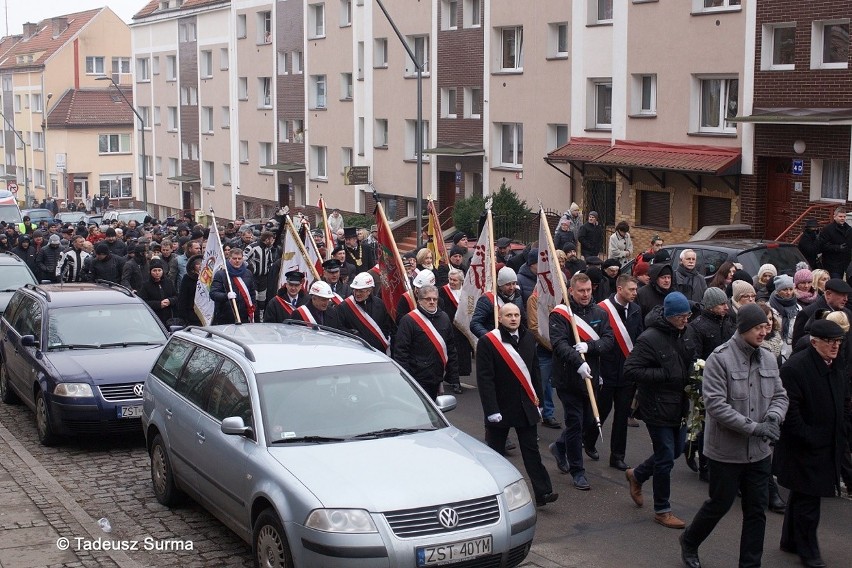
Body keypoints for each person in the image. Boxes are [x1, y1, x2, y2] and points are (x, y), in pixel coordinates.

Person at [678, 303, 788, 568]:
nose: (764, 332)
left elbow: (780, 395)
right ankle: (690, 541)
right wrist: (755, 427)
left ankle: (750, 564)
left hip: (759, 453)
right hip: (726, 452)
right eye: (758, 328)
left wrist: (774, 416)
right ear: (744, 329)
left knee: (756, 511)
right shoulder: (720, 358)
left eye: (766, 327)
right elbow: (716, 406)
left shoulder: (769, 358)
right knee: (720, 503)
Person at [775, 319, 849, 568]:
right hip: (804, 446)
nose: (835, 346)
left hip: (828, 441)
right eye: (830, 341)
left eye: (838, 341)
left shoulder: (835, 363)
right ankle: (809, 552)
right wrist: (811, 437)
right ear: (814, 341)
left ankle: (790, 540)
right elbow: (790, 412)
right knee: (809, 499)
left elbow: (843, 397)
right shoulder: (796, 368)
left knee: (802, 493)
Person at [623, 292, 695, 529]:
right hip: (656, 406)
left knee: (676, 450)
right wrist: (663, 375)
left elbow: (690, 360)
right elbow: (631, 370)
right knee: (665, 457)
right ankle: (662, 509)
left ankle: (638, 474)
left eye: (688, 315)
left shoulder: (686, 333)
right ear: (669, 316)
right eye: (681, 317)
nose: (685, 320)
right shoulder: (649, 338)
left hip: (680, 404)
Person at [476, 303, 558, 508]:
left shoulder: (528, 337)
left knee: (532, 452)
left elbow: (535, 371)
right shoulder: (489, 342)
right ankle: (490, 495)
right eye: (508, 315)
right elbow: (485, 380)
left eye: (516, 315)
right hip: (501, 408)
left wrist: (538, 400)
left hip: (526, 406)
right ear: (500, 318)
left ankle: (543, 492)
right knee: (495, 455)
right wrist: (491, 410)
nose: (513, 318)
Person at [549, 272, 614, 490]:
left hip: (592, 377)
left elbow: (608, 340)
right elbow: (559, 344)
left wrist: (590, 347)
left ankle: (559, 446)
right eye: (581, 291)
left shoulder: (600, 313)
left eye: (588, 290)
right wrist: (577, 361)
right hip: (568, 378)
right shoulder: (559, 315)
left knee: (588, 422)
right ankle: (578, 471)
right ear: (571, 291)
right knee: (575, 422)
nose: (586, 295)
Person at [596, 274, 644, 471]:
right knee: (600, 412)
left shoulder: (636, 310)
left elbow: (639, 337)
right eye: (631, 289)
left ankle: (617, 456)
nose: (635, 293)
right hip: (606, 371)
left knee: (622, 416)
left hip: (626, 373)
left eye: (636, 289)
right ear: (620, 289)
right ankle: (588, 440)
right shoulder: (602, 310)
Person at [395, 284, 459, 399]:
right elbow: (401, 351)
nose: (432, 302)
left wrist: (453, 376)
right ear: (419, 301)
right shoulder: (409, 320)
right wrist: (405, 377)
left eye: (435, 299)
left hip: (437, 375)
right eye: (428, 299)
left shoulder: (444, 318)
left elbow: (451, 347)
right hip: (417, 376)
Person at [337, 272, 394, 353]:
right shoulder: (344, 307)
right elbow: (339, 329)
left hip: (378, 351)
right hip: (356, 351)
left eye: (361, 291)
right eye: (355, 290)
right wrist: (353, 334)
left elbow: (386, 326)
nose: (357, 294)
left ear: (369, 290)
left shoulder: (380, 304)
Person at [791, 277, 852, 347]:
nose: (846, 299)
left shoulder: (848, 313)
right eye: (842, 295)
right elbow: (798, 345)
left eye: (847, 295)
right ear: (829, 294)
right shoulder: (807, 313)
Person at [210, 247, 257, 324]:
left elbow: (252, 293)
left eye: (239, 258)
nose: (237, 261)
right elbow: (213, 293)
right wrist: (226, 296)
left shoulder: (248, 273)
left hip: (244, 315)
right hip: (225, 316)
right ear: (229, 258)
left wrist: (253, 308)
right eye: (234, 258)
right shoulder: (221, 274)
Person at [138, 258, 178, 325]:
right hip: (153, 317)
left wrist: (170, 301)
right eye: (154, 270)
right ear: (150, 272)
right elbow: (143, 301)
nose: (157, 273)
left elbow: (176, 296)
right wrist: (159, 304)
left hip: (169, 317)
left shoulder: (168, 282)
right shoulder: (145, 285)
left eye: (159, 270)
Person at [818, 207, 852, 278]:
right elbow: (822, 246)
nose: (842, 218)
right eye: (840, 216)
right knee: (835, 284)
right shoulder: (827, 229)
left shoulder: (849, 229)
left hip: (846, 263)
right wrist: (837, 247)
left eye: (844, 216)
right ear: (834, 217)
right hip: (832, 264)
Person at [176, 254, 203, 326]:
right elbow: (183, 297)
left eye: (202, 263)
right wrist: (183, 316)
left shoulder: (209, 278)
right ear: (193, 266)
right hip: (192, 313)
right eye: (198, 264)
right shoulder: (187, 278)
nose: (200, 266)